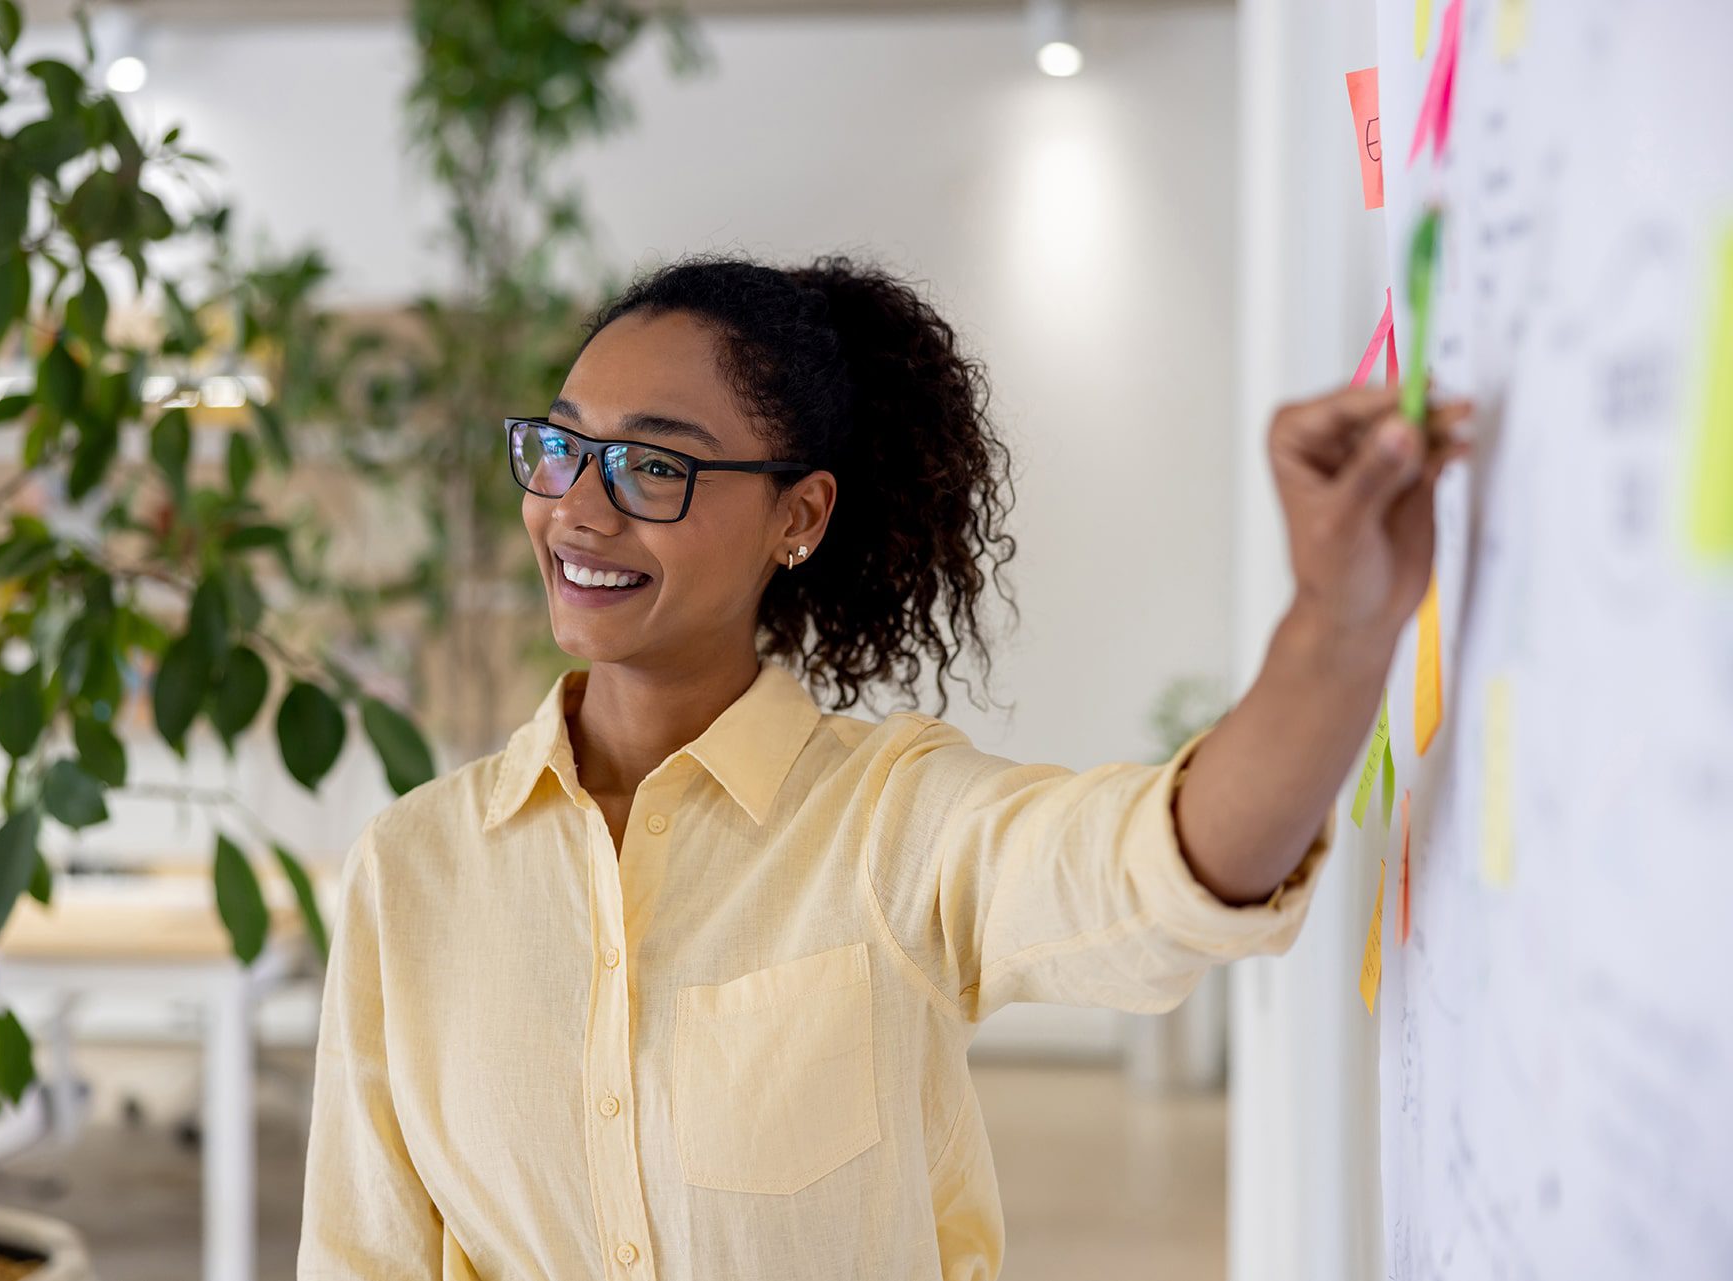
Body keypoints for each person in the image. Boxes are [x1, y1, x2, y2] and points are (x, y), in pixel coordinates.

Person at [295, 252, 1470, 1279]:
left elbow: (1150, 872)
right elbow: (363, 1255)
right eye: (561, 448)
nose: (577, 510)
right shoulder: (415, 869)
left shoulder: (891, 819)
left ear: (797, 517)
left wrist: (1335, 623)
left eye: (655, 467)